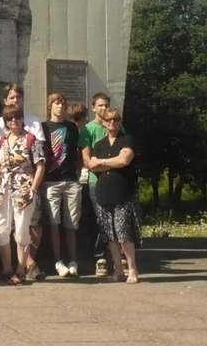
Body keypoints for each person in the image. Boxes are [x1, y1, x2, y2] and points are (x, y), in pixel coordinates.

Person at [0, 105, 45, 285]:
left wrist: (33, 188)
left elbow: (40, 165)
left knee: (21, 231)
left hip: (23, 188)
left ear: (22, 119)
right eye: (9, 118)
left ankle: (20, 270)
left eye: (17, 117)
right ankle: (7, 268)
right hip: (3, 189)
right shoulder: (3, 139)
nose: (13, 121)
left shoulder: (31, 139)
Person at [85, 107, 140, 284]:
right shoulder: (99, 144)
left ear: (120, 121)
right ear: (104, 122)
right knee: (110, 235)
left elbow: (125, 160)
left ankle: (132, 270)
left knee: (124, 234)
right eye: (108, 119)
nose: (112, 122)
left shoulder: (127, 139)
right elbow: (92, 166)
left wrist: (102, 162)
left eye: (116, 119)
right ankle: (118, 270)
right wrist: (113, 162)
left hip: (122, 192)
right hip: (103, 193)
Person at [41, 93, 82, 278]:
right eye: (56, 103)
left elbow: (78, 152)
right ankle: (58, 261)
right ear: (50, 106)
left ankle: (73, 261)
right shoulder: (43, 127)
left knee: (72, 223)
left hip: (71, 181)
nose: (60, 106)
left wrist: (79, 172)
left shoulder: (71, 127)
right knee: (54, 223)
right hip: (51, 181)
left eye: (62, 103)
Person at [80, 92, 114, 276]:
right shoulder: (88, 129)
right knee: (101, 219)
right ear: (93, 108)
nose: (104, 108)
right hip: (96, 181)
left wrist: (102, 163)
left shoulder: (115, 125)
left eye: (106, 105)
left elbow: (124, 155)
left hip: (114, 180)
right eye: (100, 105)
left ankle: (115, 256)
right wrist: (109, 165)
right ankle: (100, 257)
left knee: (115, 218)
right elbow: (87, 160)